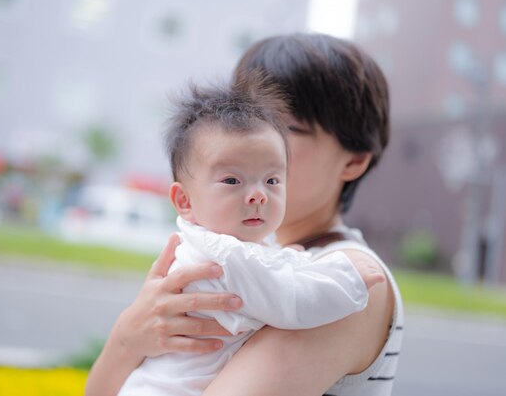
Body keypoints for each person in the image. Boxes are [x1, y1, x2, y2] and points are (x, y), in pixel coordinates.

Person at [85, 33, 403, 396]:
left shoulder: (345, 280)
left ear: (354, 160)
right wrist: (129, 338)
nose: (255, 140)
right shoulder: (241, 250)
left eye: (284, 128)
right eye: (243, 120)